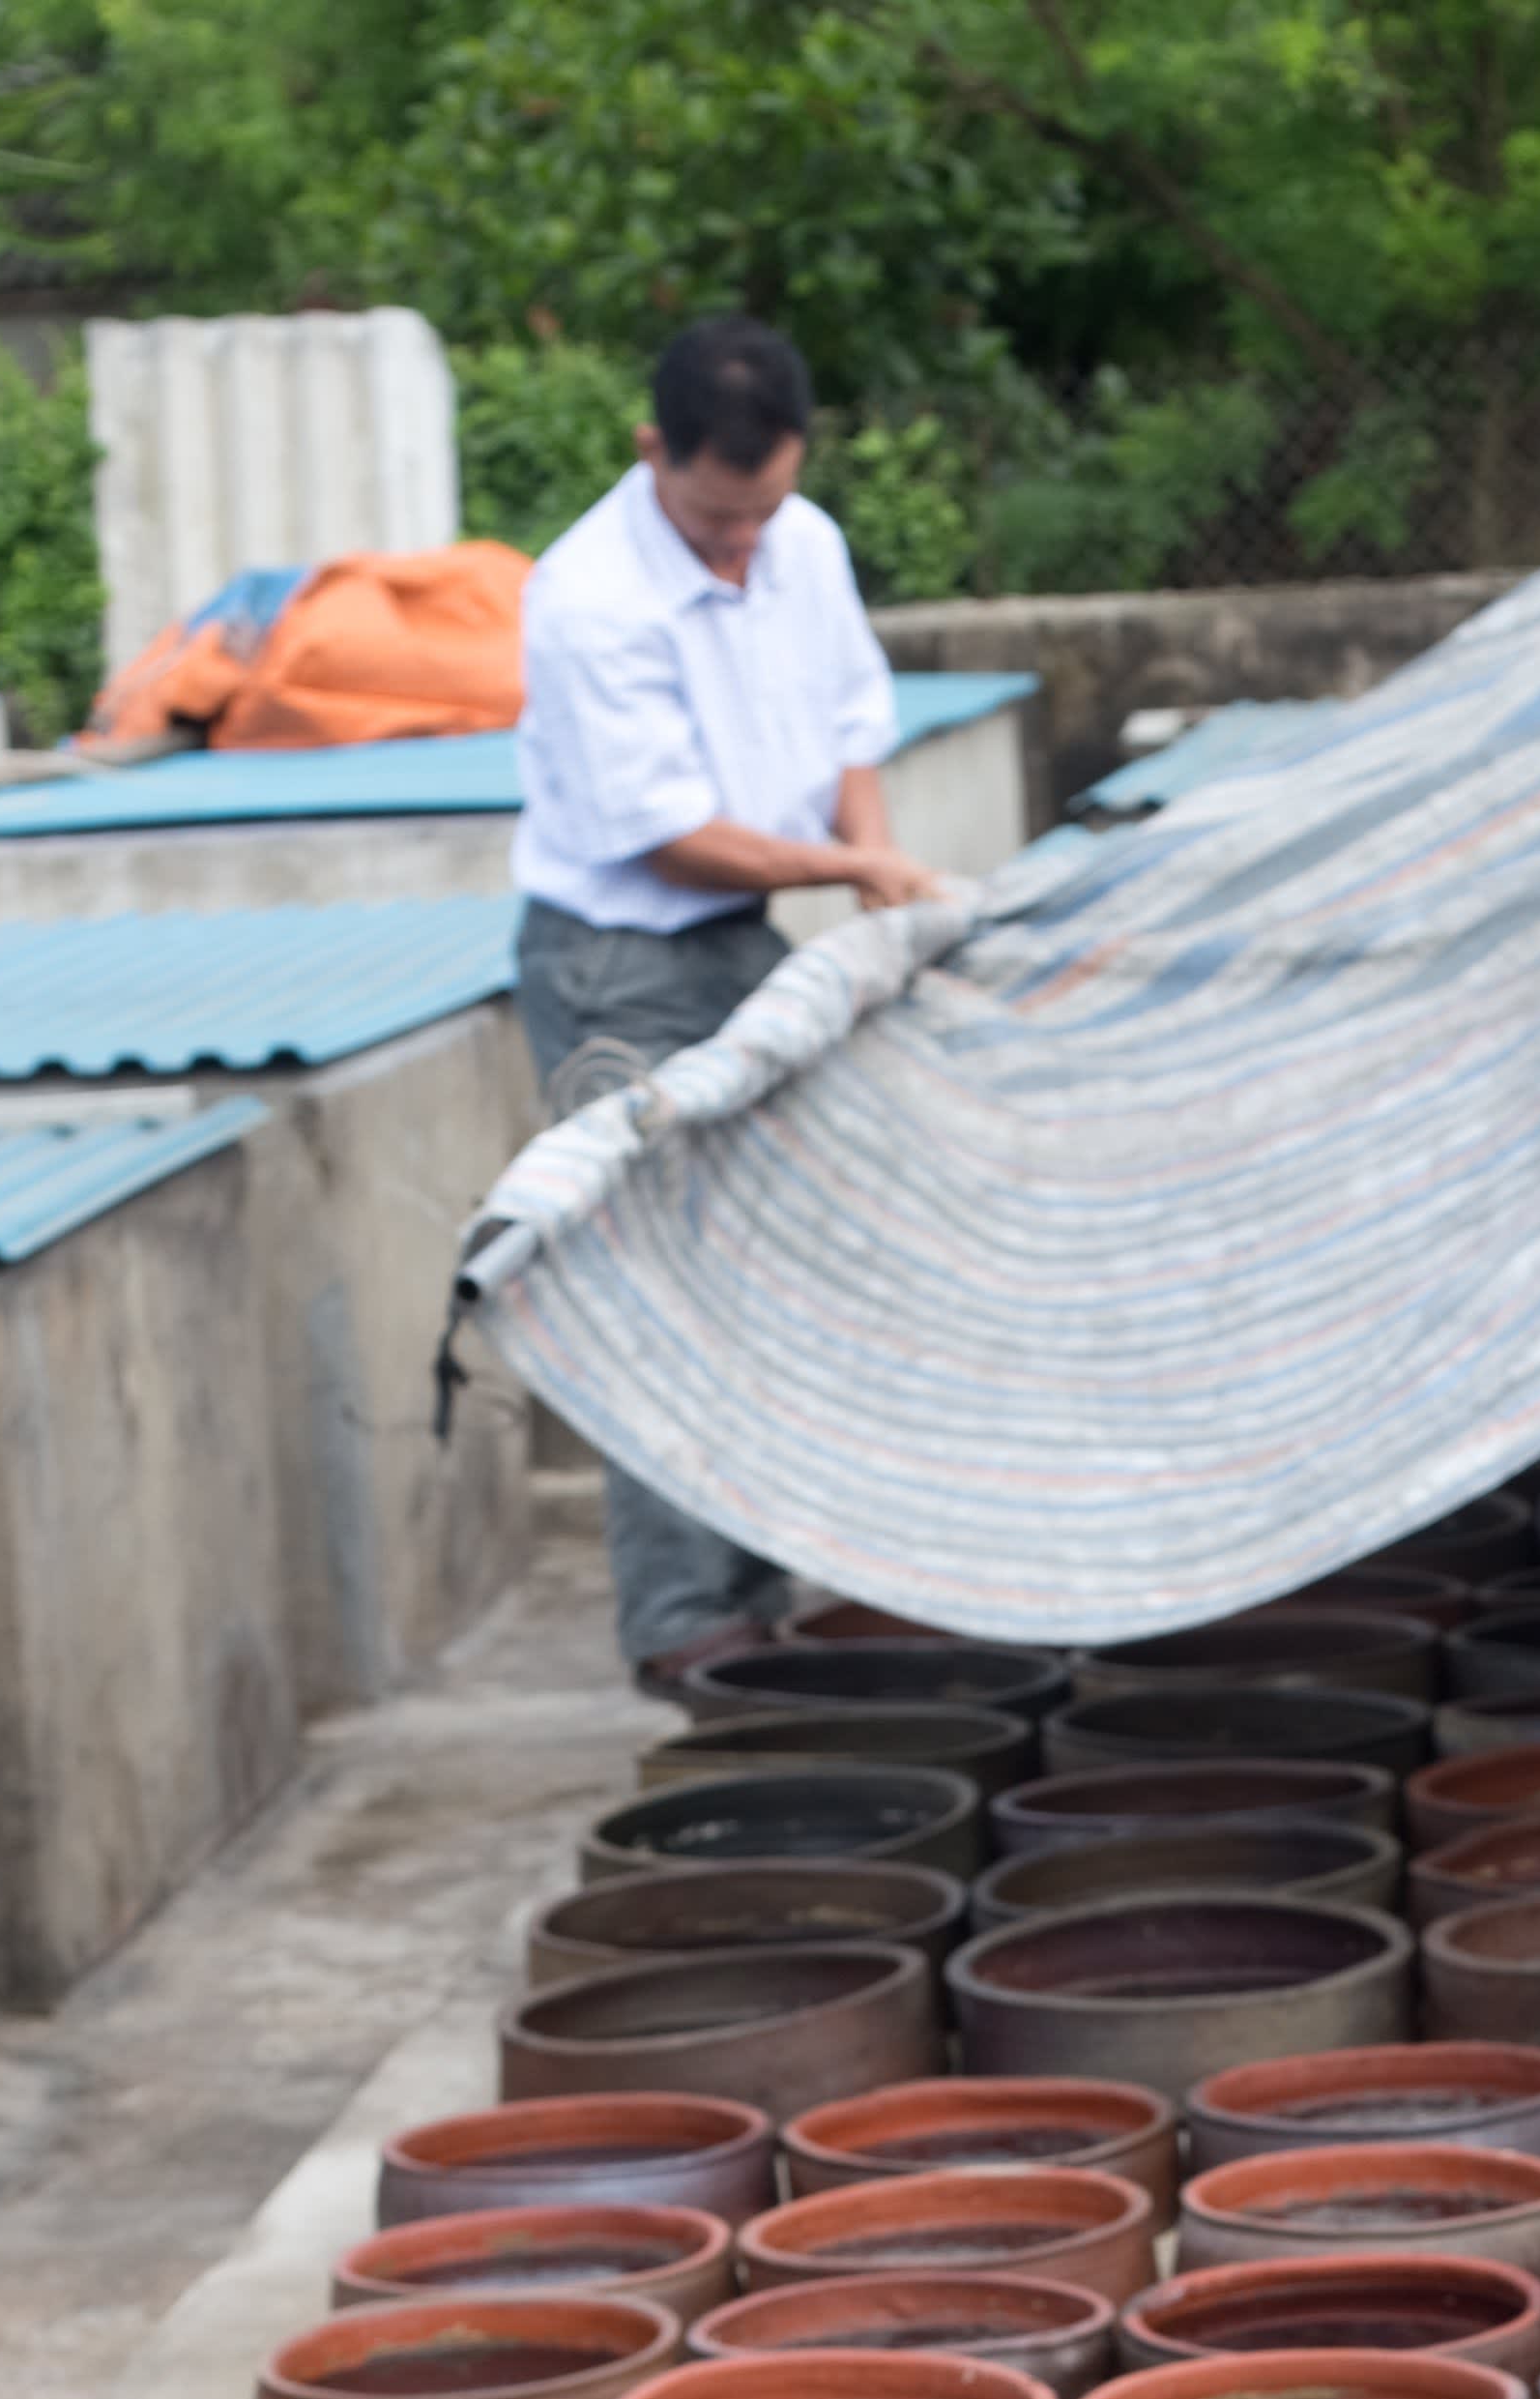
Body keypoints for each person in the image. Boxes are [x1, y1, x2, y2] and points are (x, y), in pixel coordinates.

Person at [511, 314, 946, 1686]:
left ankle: (762, 1591)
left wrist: (872, 874)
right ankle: (685, 1627)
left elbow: (852, 730)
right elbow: (665, 839)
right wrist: (860, 871)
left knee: (770, 1254)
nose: (741, 546)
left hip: (744, 936)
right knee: (659, 1274)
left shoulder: (803, 545)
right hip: (616, 965)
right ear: (654, 452)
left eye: (760, 513)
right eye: (714, 521)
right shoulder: (588, 597)